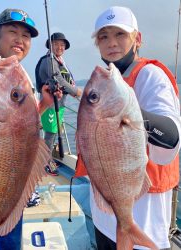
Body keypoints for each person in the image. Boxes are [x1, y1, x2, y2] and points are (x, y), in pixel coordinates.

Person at [0, 8, 62, 250]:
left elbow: (16, 123)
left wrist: (43, 105)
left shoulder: (15, 74)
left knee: (9, 239)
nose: (20, 39)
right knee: (3, 240)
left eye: (26, 36)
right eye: (12, 32)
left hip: (10, 178)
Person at [89, 6, 181, 250]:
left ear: (137, 39)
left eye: (120, 34)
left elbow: (171, 136)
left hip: (143, 219)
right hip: (103, 217)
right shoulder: (106, 81)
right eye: (104, 36)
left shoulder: (151, 76)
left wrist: (126, 112)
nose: (111, 43)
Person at [35, 32, 82, 176]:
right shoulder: (50, 60)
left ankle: (45, 158)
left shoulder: (59, 61)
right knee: (50, 133)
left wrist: (72, 91)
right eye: (56, 44)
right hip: (50, 103)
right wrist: (76, 92)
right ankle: (45, 162)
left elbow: (65, 80)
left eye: (62, 45)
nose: (60, 47)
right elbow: (59, 80)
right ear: (50, 45)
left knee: (54, 131)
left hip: (59, 104)